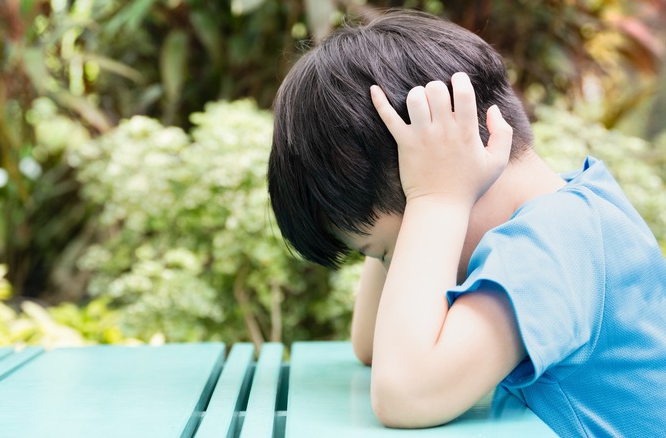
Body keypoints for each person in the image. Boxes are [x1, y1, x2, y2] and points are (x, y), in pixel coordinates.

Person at [267, 9, 666, 436]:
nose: (397, 266)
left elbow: (406, 393)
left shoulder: (554, 242)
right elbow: (371, 348)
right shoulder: (570, 209)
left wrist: (435, 198)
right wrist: (417, 204)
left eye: (387, 253)